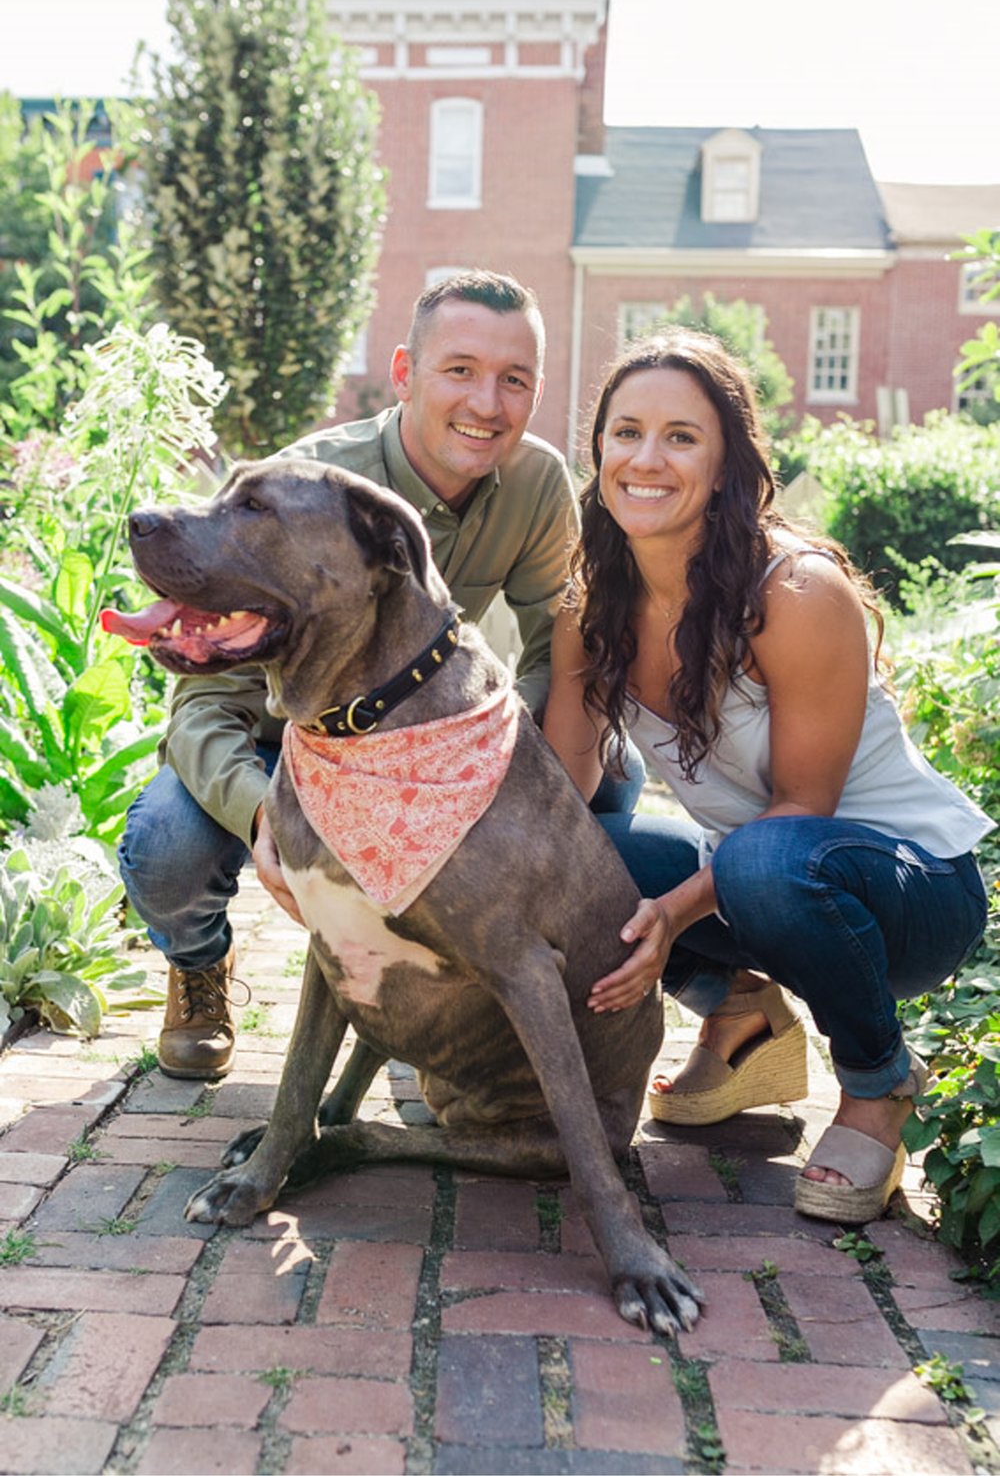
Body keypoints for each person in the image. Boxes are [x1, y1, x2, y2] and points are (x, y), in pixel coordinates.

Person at [118, 269, 641, 1081]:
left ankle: (476, 974)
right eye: (459, 370)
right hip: (285, 747)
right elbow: (201, 705)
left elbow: (555, 649)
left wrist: (497, 768)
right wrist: (268, 820)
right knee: (166, 844)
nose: (486, 403)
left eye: (515, 380)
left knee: (613, 774)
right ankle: (197, 966)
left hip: (422, 742)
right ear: (404, 373)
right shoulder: (303, 491)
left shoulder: (535, 482)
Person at [543, 327, 993, 1224]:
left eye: (681, 436)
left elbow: (802, 810)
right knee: (580, 850)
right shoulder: (593, 606)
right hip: (759, 880)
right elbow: (559, 793)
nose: (646, 458)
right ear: (597, 449)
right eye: (626, 431)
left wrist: (671, 914)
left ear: (727, 460)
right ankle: (745, 1017)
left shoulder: (793, 593)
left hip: (910, 890)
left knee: (762, 858)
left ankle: (877, 1083)